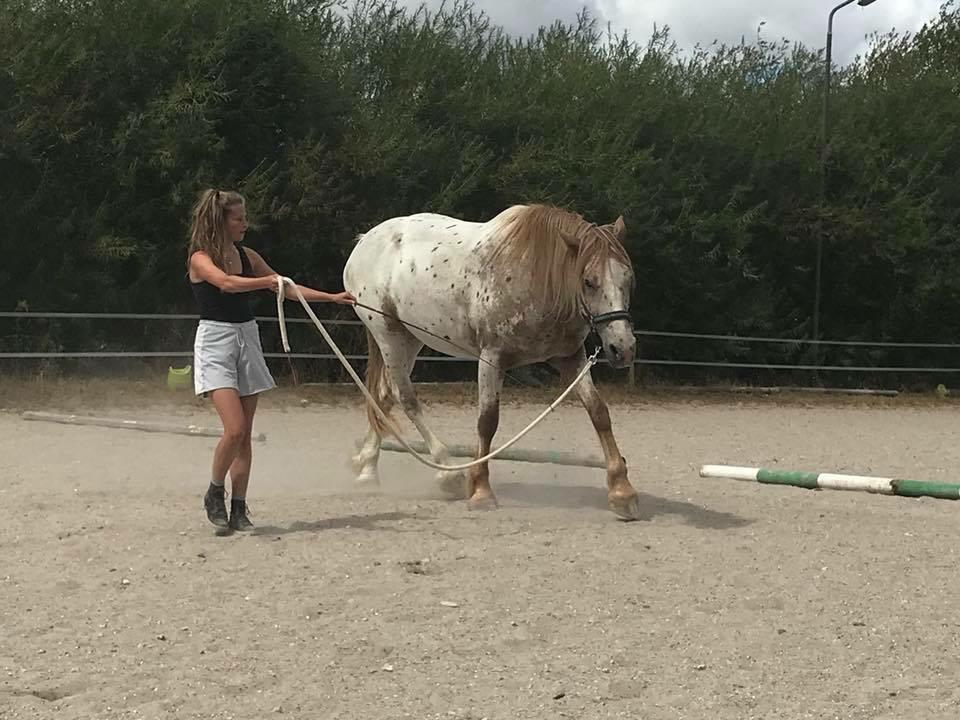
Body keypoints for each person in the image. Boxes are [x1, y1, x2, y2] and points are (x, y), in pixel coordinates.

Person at [186, 188, 355, 533]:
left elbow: (287, 288)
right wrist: (265, 281)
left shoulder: (248, 255)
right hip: (216, 341)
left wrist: (331, 298)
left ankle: (238, 507)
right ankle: (214, 492)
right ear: (221, 221)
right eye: (239, 218)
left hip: (246, 337)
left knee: (245, 434)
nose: (245, 224)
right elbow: (227, 284)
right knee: (233, 429)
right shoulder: (200, 258)